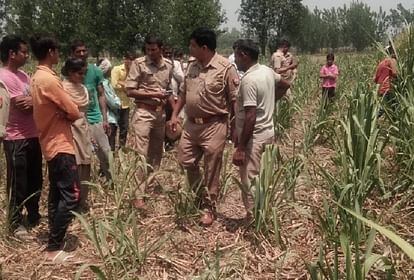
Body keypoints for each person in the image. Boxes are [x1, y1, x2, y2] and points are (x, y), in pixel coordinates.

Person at [169, 27, 239, 226]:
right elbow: (183, 93)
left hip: (214, 125)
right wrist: (174, 114)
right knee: (185, 160)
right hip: (191, 125)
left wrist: (234, 128)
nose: (189, 49)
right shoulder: (191, 66)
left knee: (212, 167)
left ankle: (209, 206)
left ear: (204, 47)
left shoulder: (226, 68)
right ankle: (200, 194)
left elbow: (234, 101)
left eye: (192, 45)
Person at [29, 35, 82, 262]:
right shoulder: (49, 80)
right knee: (72, 196)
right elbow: (74, 110)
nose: (59, 55)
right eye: (57, 51)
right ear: (51, 52)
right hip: (60, 144)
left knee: (56, 194)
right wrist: (70, 112)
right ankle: (53, 247)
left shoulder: (37, 77)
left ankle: (54, 237)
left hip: (51, 143)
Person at [232, 39, 290, 218]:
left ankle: (255, 219)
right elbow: (286, 84)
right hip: (268, 133)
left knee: (250, 181)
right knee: (262, 176)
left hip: (253, 139)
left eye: (236, 56)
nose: (235, 60)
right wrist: (270, 102)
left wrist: (241, 148)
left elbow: (250, 116)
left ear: (244, 55)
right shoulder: (266, 70)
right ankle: (262, 211)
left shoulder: (249, 80)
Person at [0, 35, 43, 237]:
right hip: (16, 137)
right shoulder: (5, 77)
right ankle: (15, 222)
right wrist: (36, 101)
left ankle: (33, 214)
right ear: (12, 54)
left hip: (33, 134)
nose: (27, 55)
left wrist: (35, 101)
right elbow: (24, 106)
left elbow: (34, 100)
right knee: (18, 182)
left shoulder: (24, 76)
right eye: (24, 52)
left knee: (36, 178)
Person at [126, 35, 175, 209]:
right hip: (143, 113)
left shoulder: (168, 65)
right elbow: (130, 91)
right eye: (148, 49)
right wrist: (152, 94)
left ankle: (150, 185)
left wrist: (174, 115)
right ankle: (138, 195)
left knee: (156, 154)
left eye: (154, 49)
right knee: (141, 153)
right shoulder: (139, 64)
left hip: (160, 115)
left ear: (161, 49)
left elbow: (168, 91)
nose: (150, 53)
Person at [70, 40, 113, 183]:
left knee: (106, 153)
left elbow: (101, 95)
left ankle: (113, 183)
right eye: (78, 51)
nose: (82, 54)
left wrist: (105, 119)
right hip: (77, 121)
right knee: (81, 157)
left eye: (84, 50)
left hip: (95, 118)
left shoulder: (95, 71)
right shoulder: (69, 72)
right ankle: (81, 186)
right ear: (73, 53)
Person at [62, 58, 93, 212]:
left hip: (83, 129)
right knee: (74, 165)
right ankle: (71, 204)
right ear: (70, 72)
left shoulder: (83, 89)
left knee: (85, 165)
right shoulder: (62, 88)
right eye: (79, 73)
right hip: (70, 129)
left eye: (84, 73)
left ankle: (81, 202)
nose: (82, 76)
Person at [110, 52, 135, 150]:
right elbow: (114, 84)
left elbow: (134, 86)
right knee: (113, 128)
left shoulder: (133, 72)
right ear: (125, 59)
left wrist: (123, 83)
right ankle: (111, 151)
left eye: (132, 60)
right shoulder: (117, 69)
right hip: (115, 104)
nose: (131, 62)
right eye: (129, 59)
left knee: (124, 129)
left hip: (126, 104)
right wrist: (126, 86)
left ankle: (122, 150)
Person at [98, 58, 121, 151]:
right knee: (109, 149)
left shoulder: (106, 82)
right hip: (108, 119)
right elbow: (112, 102)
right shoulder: (103, 84)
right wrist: (118, 103)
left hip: (106, 119)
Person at [374, 46, 398, 117]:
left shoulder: (381, 63)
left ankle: (372, 120)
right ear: (392, 52)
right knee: (394, 108)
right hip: (389, 88)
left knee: (386, 107)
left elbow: (375, 79)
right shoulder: (392, 60)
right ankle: (371, 121)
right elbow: (395, 73)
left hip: (381, 89)